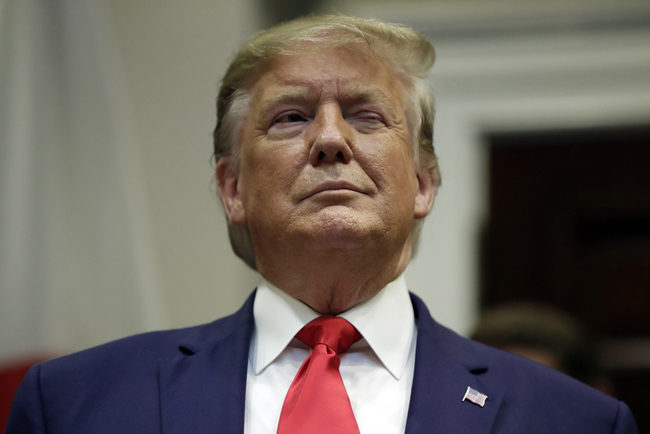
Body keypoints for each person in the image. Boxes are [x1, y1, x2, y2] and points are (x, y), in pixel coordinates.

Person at [6, 14, 638, 434]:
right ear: (232, 189)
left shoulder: (572, 420)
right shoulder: (74, 404)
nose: (330, 140)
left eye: (366, 116)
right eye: (290, 117)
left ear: (422, 184)